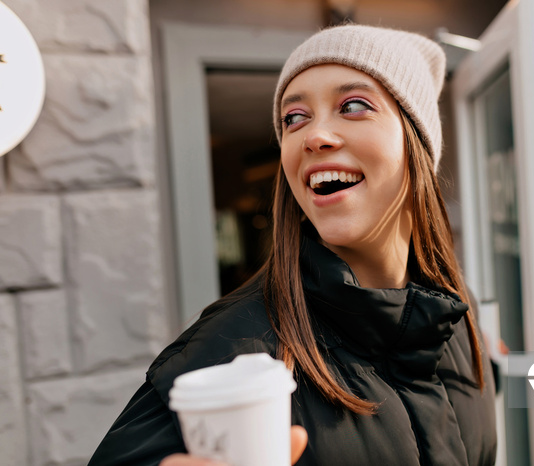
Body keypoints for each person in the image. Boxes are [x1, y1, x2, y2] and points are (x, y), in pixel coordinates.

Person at [89, 24, 497, 466]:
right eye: (294, 118)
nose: (313, 135)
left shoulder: (457, 314)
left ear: (416, 144)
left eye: (354, 105)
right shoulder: (231, 352)